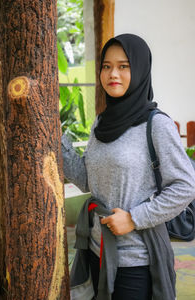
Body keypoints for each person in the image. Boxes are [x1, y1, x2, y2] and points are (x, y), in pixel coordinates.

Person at [61, 34, 195, 300]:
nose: (113, 74)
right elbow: (89, 179)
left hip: (138, 260)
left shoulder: (156, 125)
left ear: (141, 69)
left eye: (124, 66)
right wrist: (56, 140)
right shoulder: (101, 122)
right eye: (107, 66)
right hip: (98, 251)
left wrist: (134, 219)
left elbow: (185, 187)